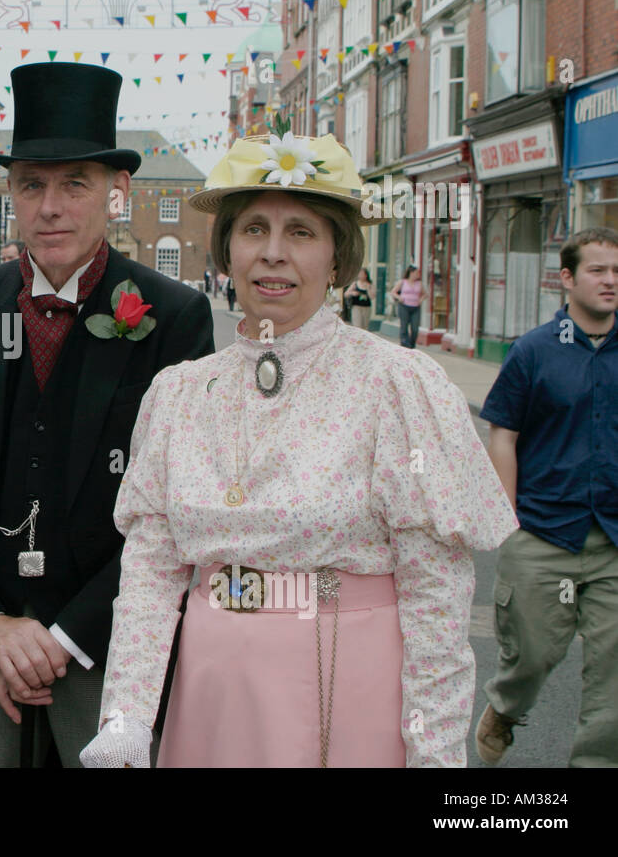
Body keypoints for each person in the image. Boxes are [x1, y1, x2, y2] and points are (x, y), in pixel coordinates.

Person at [79, 131, 518, 769]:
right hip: (213, 700)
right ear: (227, 249)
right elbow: (149, 577)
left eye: (303, 233)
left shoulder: (397, 386)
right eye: (254, 229)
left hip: (352, 695)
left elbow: (437, 597)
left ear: (339, 257)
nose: (273, 254)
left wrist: (435, 755)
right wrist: (126, 715)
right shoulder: (177, 393)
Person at [0, 63, 215, 768]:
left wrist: (68, 635)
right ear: (10, 192)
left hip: (109, 638)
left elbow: (177, 506)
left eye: (75, 183)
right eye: (32, 184)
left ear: (116, 190)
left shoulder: (170, 318)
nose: (51, 206)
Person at [476, 226, 618, 767]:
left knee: (613, 676)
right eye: (598, 270)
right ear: (567, 278)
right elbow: (503, 435)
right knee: (531, 655)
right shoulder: (533, 351)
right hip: (543, 532)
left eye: (617, 272)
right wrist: (507, 517)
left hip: (613, 540)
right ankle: (506, 708)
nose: (610, 281)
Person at [390, 264, 425, 348]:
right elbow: (393, 292)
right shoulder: (403, 282)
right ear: (411, 273)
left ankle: (412, 344)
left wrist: (421, 300)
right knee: (404, 326)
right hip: (404, 306)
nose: (418, 275)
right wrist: (399, 297)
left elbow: (424, 294)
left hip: (415, 307)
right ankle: (405, 343)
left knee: (415, 328)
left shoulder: (419, 283)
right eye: (416, 273)